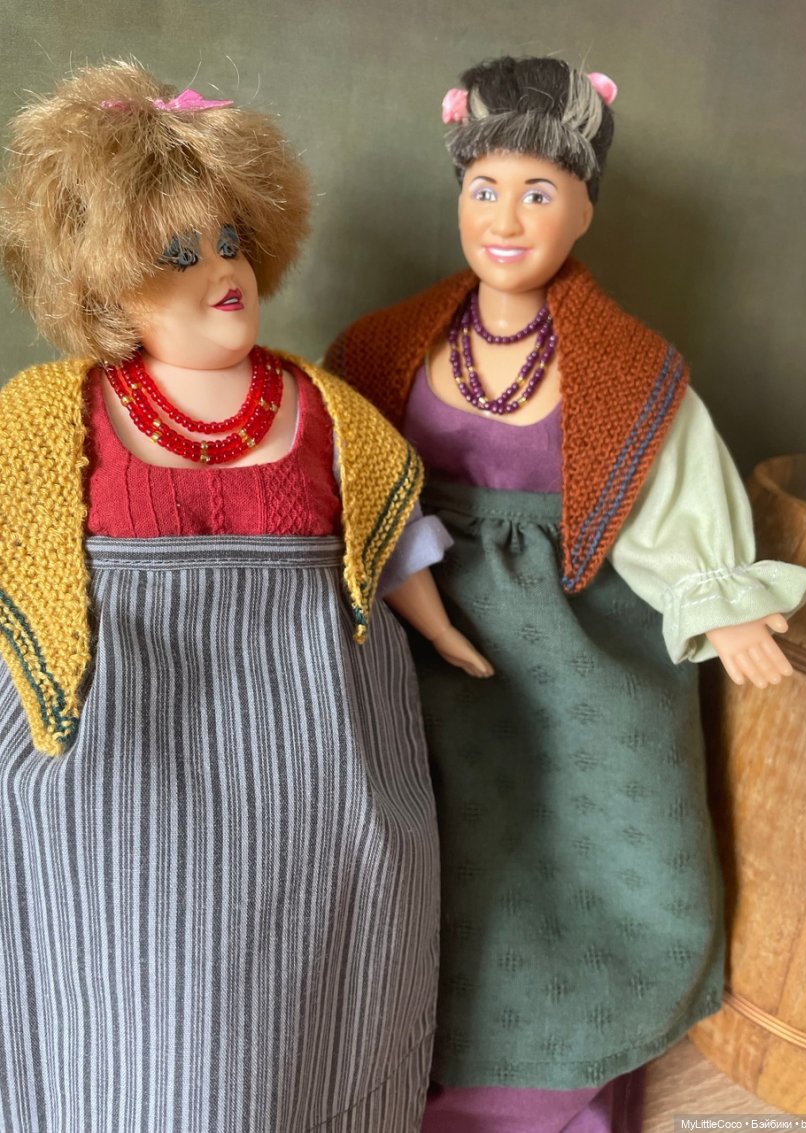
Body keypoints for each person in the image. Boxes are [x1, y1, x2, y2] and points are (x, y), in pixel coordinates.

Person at [326, 56, 806, 1133]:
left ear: (585, 205)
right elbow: (352, 479)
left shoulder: (627, 367)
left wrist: (718, 595)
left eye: (538, 192)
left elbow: (671, 487)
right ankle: (408, 1063)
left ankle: (557, 1074)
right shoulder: (382, 346)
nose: (506, 219)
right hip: (421, 643)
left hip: (581, 644)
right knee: (437, 855)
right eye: (484, 188)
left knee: (603, 840)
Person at [0, 61, 489, 1133]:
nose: (223, 271)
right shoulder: (42, 417)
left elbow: (390, 541)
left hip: (314, 748)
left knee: (306, 1007)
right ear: (102, 286)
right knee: (143, 1013)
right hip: (119, 762)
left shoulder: (324, 405)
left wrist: (445, 632)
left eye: (228, 241)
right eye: (179, 254)